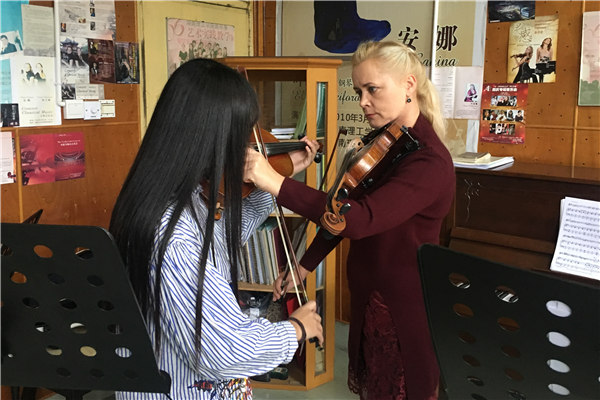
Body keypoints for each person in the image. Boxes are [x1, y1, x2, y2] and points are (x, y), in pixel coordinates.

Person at [245, 40, 455, 400]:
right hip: (369, 296)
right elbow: (343, 205)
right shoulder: (387, 143)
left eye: (372, 89)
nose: (363, 101)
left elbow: (356, 219)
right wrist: (304, 265)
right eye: (359, 90)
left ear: (408, 85)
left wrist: (276, 182)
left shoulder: (428, 162)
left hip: (401, 308)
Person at [109, 58, 324, 399]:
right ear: (208, 137)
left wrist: (280, 177)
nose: (249, 152)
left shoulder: (179, 197)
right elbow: (225, 351)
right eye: (241, 138)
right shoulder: (174, 236)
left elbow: (228, 235)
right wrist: (295, 329)